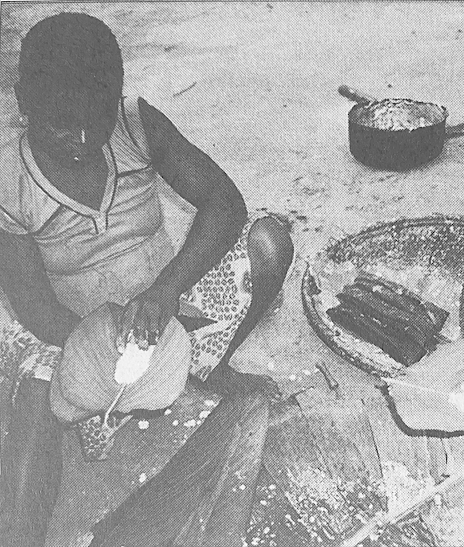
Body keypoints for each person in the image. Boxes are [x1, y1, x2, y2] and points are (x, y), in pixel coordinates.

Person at [0, 13, 294, 546]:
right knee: (31, 381)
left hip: (168, 308)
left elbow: (224, 204)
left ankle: (204, 365)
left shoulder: (136, 124)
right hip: (70, 330)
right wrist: (94, 343)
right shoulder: (8, 176)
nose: (83, 140)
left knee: (268, 242)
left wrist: (166, 289)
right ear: (24, 101)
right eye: (62, 124)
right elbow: (29, 302)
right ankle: (22, 532)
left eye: (98, 118)